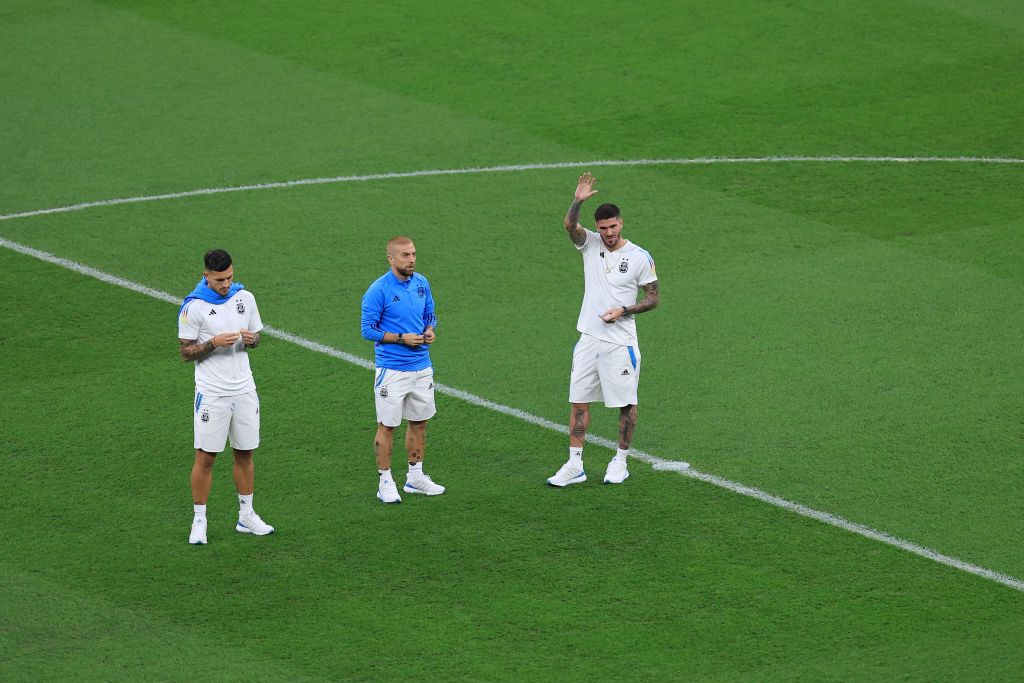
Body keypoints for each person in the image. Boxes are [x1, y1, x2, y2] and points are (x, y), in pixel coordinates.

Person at [547, 172, 660, 487]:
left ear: (621, 223)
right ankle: (574, 465)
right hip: (588, 340)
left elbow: (653, 298)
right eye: (602, 228)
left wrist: (624, 310)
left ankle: (620, 461)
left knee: (625, 404)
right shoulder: (589, 245)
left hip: (620, 344)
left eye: (612, 226)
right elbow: (570, 226)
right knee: (579, 402)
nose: (608, 233)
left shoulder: (639, 257)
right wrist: (577, 202)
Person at [178, 249, 274, 544]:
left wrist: (251, 339)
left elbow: (257, 337)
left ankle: (246, 516)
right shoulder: (192, 307)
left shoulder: (245, 298)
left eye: (230, 277)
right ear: (206, 275)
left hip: (244, 389)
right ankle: (199, 520)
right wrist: (213, 343)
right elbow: (185, 352)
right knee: (206, 457)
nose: (226, 284)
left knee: (245, 453)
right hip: (212, 393)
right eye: (220, 279)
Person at [361, 236, 446, 503]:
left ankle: (415, 477)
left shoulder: (421, 283)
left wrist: (430, 330)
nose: (412, 260)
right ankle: (385, 482)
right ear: (391, 259)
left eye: (414, 254)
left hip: (422, 367)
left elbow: (430, 314)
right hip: (393, 370)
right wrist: (401, 338)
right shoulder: (378, 290)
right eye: (406, 255)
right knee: (387, 426)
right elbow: (367, 330)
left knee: (419, 422)